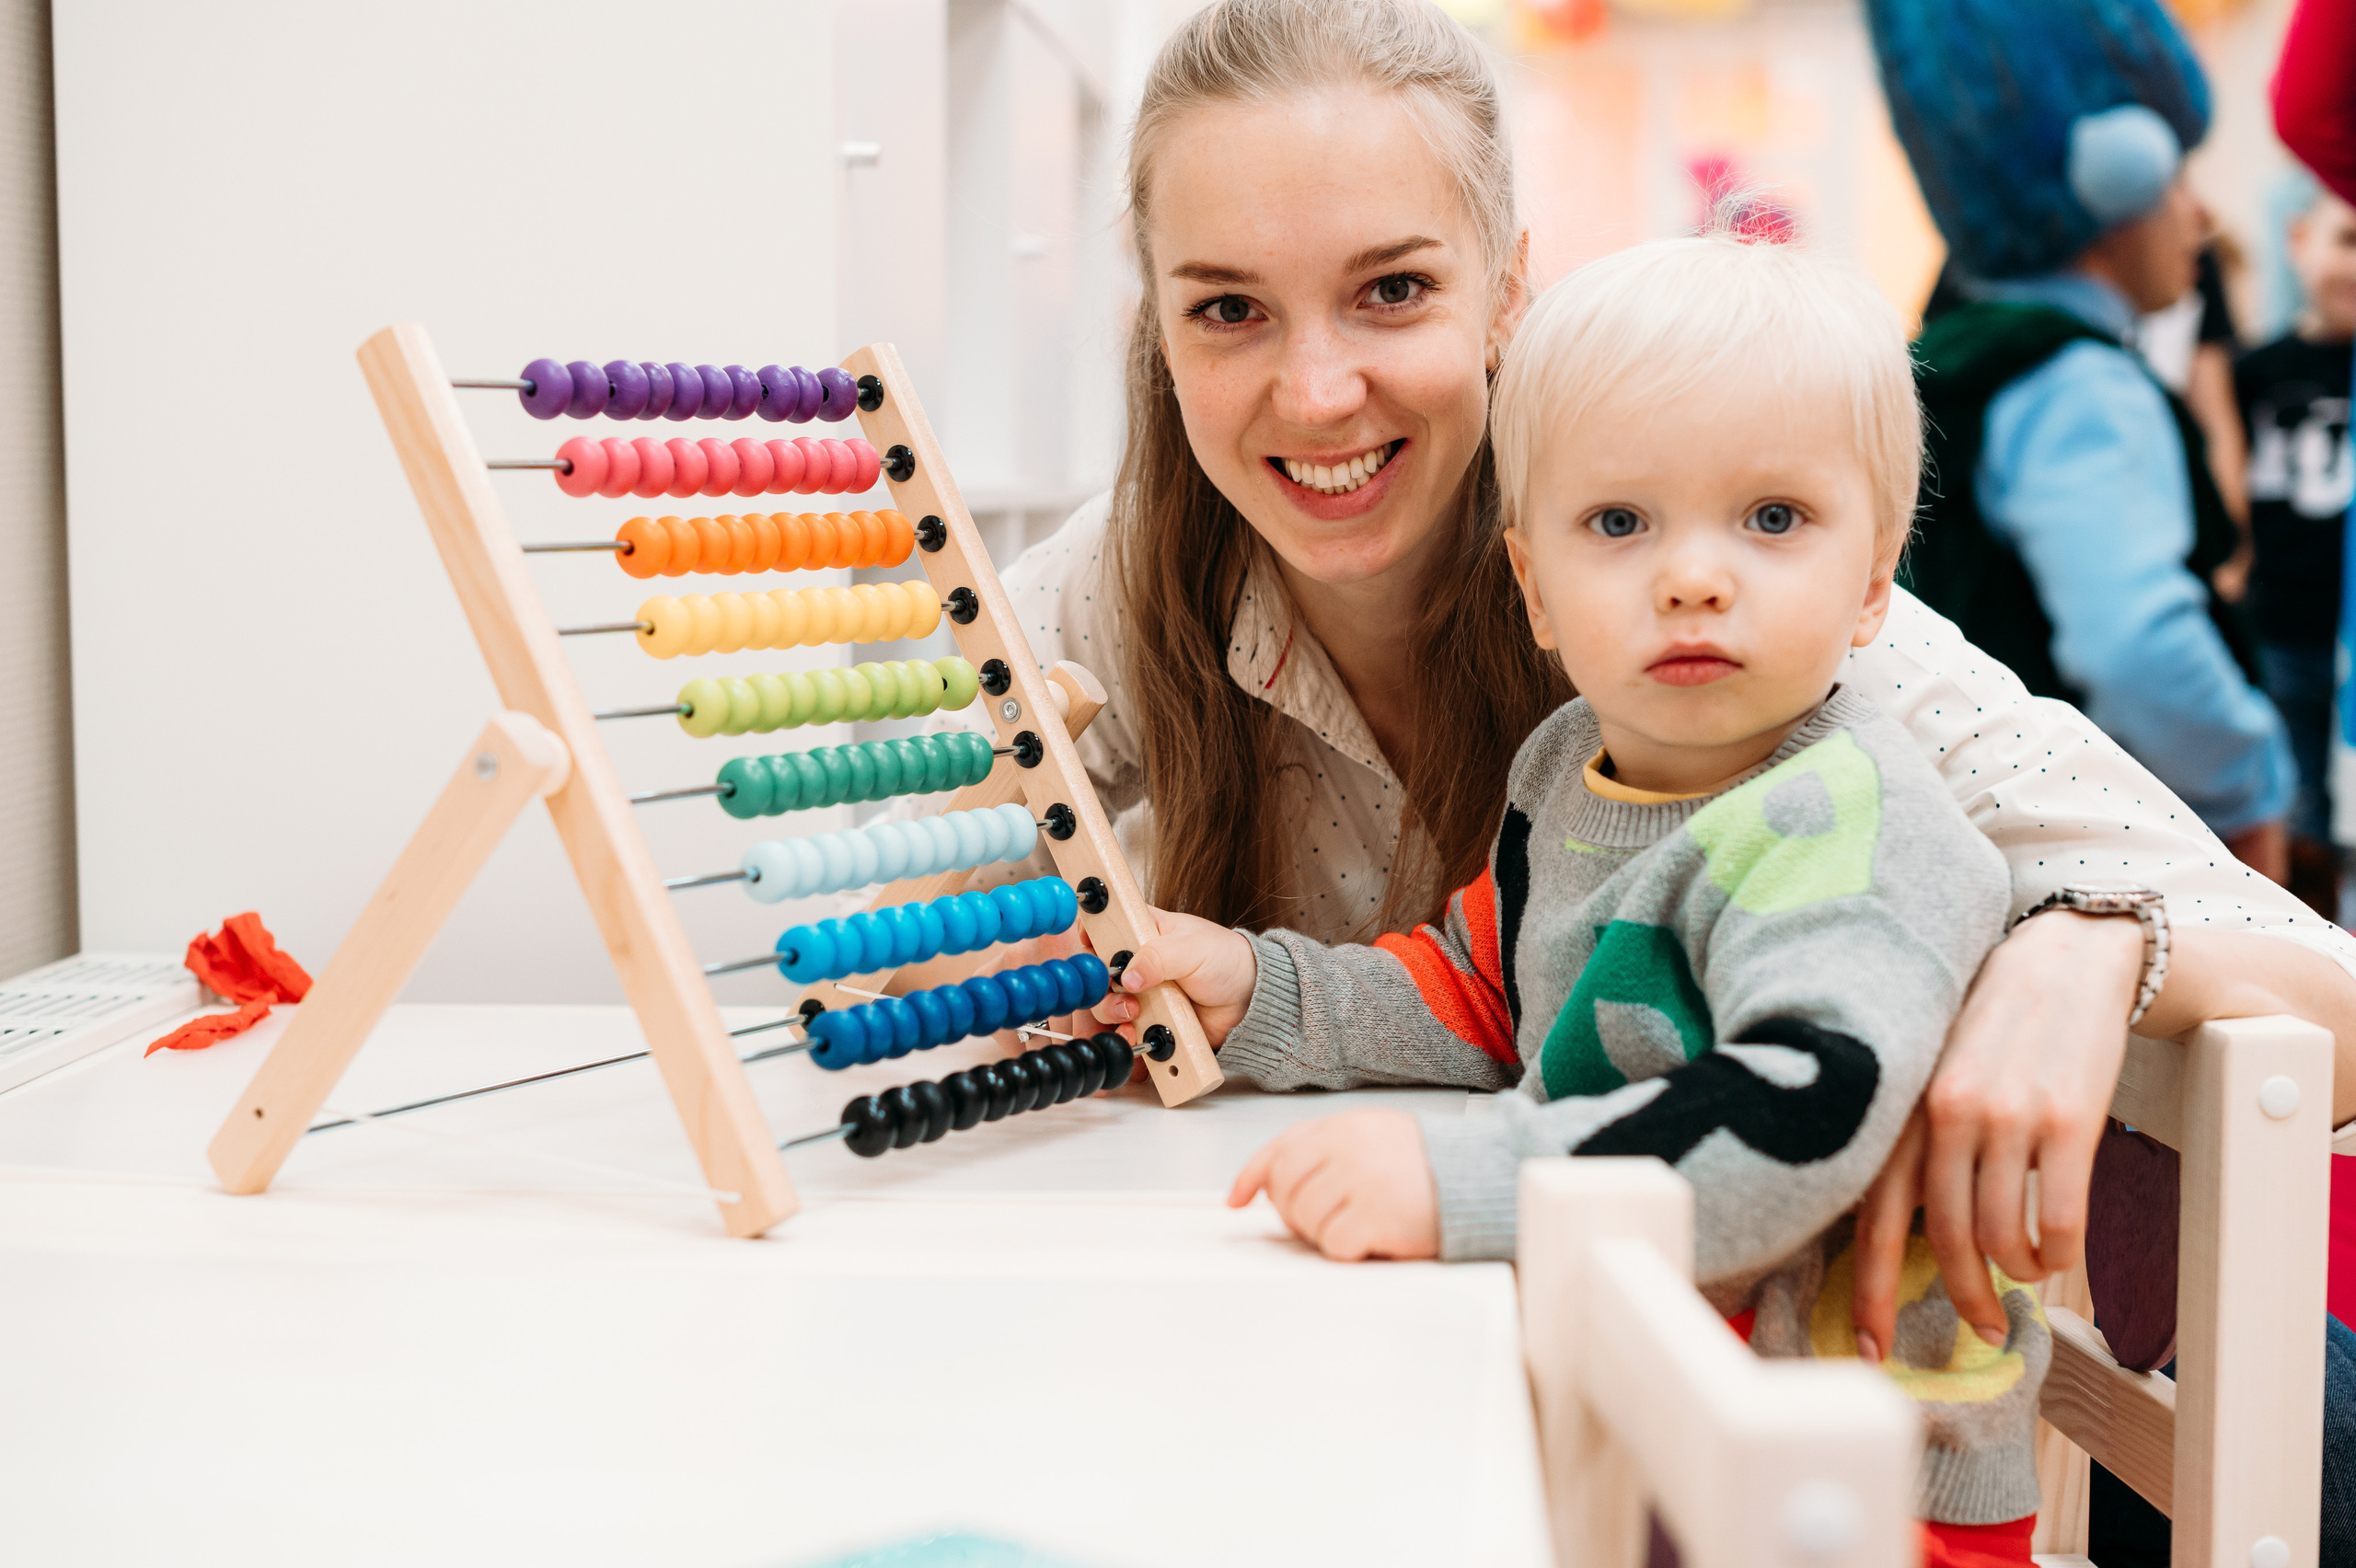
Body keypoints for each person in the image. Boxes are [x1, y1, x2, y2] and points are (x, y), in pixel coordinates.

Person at [973, 0, 2356, 1527]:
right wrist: (1051, 909)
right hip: (1389, 1375)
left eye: (1392, 290)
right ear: (1155, 321)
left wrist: (2090, 940)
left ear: (1505, 289)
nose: (1315, 392)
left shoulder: (1763, 644)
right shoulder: (1116, 587)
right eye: (1228, 309)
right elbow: (1459, 985)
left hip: (1791, 1445)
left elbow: (2318, 993)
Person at [1102, 230, 2053, 1563]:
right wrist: (1265, 990)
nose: (1694, 575)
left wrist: (1465, 1183)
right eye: (1619, 523)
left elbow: (1790, 1120)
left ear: (1875, 579)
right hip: (1639, 1380)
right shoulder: (1570, 769)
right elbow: (1480, 990)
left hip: (1831, 1464)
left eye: (1774, 519)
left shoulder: (1850, 832)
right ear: (1534, 586)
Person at [1865, 0, 2294, 882]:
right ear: (2116, 176)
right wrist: (2249, 791)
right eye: (2179, 178)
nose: (2200, 215)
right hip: (2071, 847)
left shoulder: (1951, 351)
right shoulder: (2081, 382)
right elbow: (2134, 644)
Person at [2237, 181, 2356, 920]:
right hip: (2282, 625)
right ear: (2298, 242)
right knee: (2293, 804)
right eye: (2346, 241)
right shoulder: (2257, 373)